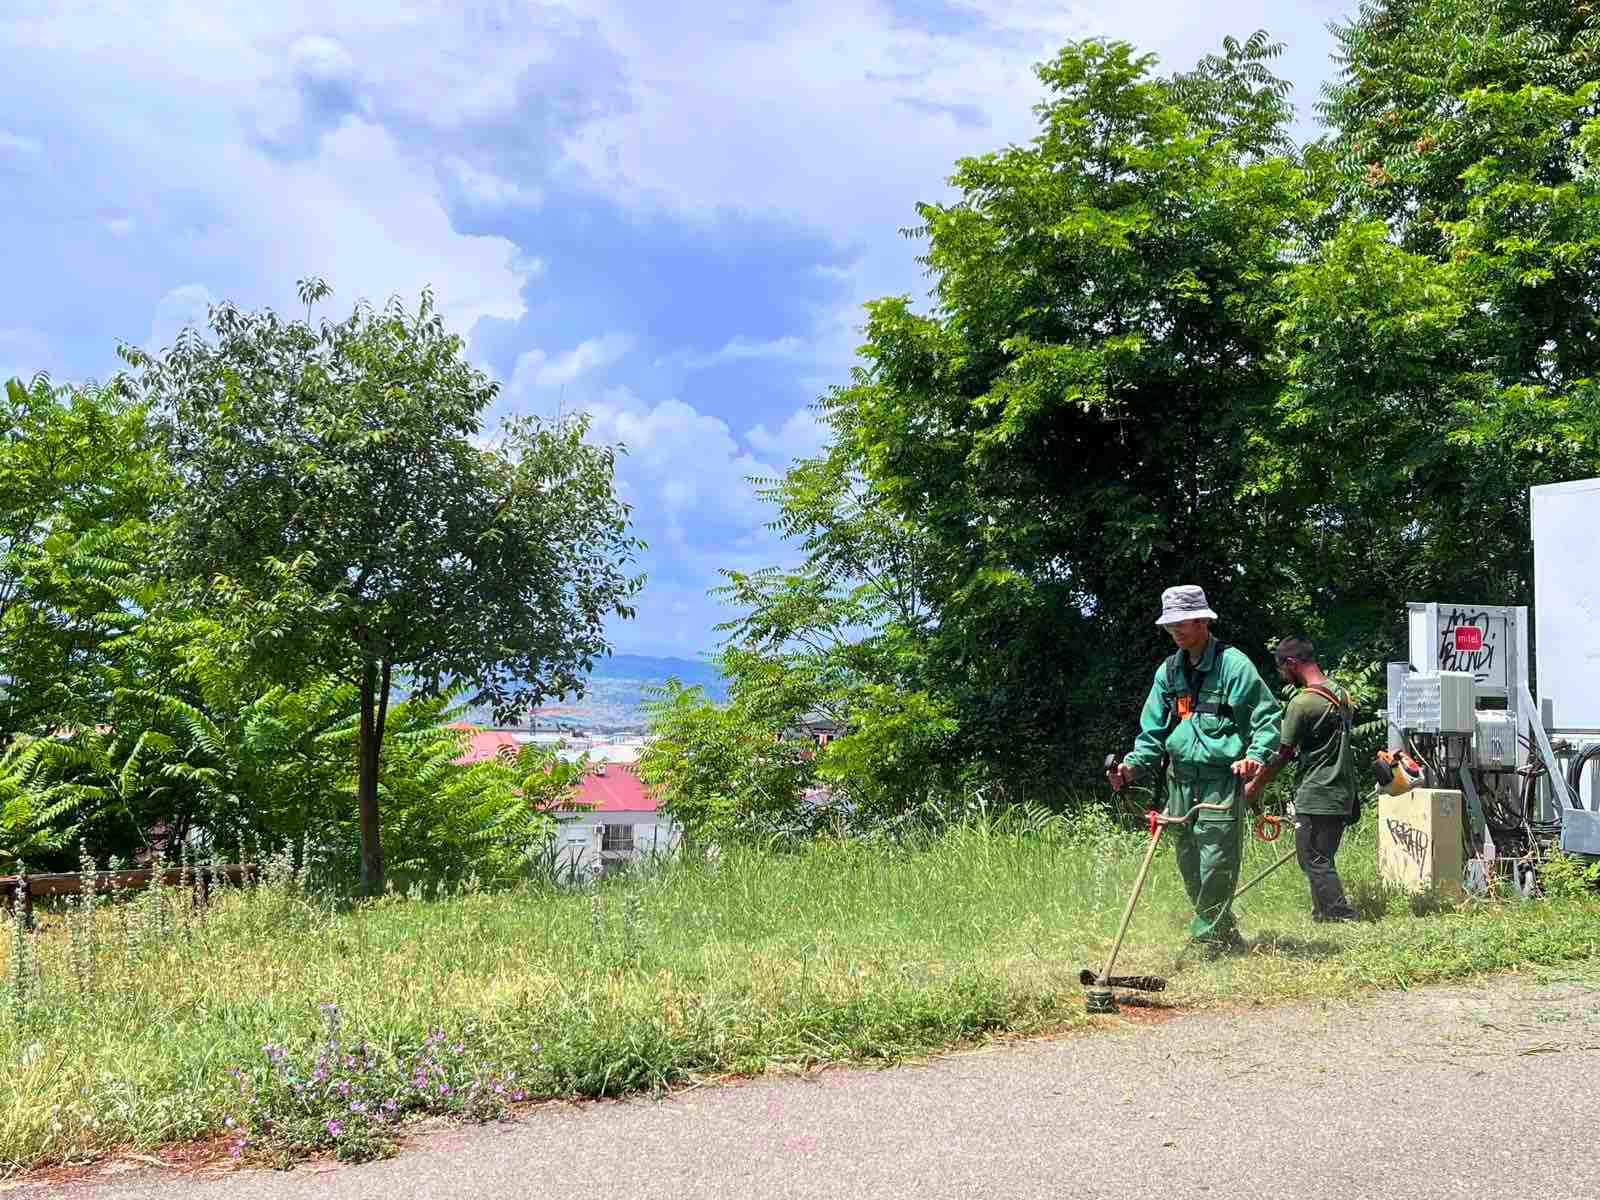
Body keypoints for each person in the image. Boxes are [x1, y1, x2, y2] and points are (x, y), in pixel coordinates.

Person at [1108, 585, 1282, 950]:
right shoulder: (1169, 672)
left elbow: (1266, 718)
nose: (1175, 631)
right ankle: (1224, 933)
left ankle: (1206, 938)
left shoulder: (1233, 665)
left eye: (1182, 623)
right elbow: (1152, 733)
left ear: (1203, 620)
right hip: (1180, 781)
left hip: (1220, 779)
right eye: (1170, 625)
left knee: (1216, 862)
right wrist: (1131, 768)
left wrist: (1255, 756)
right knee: (1189, 862)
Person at [1243, 636, 1360, 922]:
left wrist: (1255, 786)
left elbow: (1282, 754)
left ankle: (1341, 915)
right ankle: (1322, 914)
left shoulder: (1303, 703)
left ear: (1291, 663)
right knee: (1321, 856)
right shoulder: (1342, 695)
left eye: (1283, 669)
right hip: (1343, 790)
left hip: (1317, 791)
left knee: (1313, 858)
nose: (1284, 675)